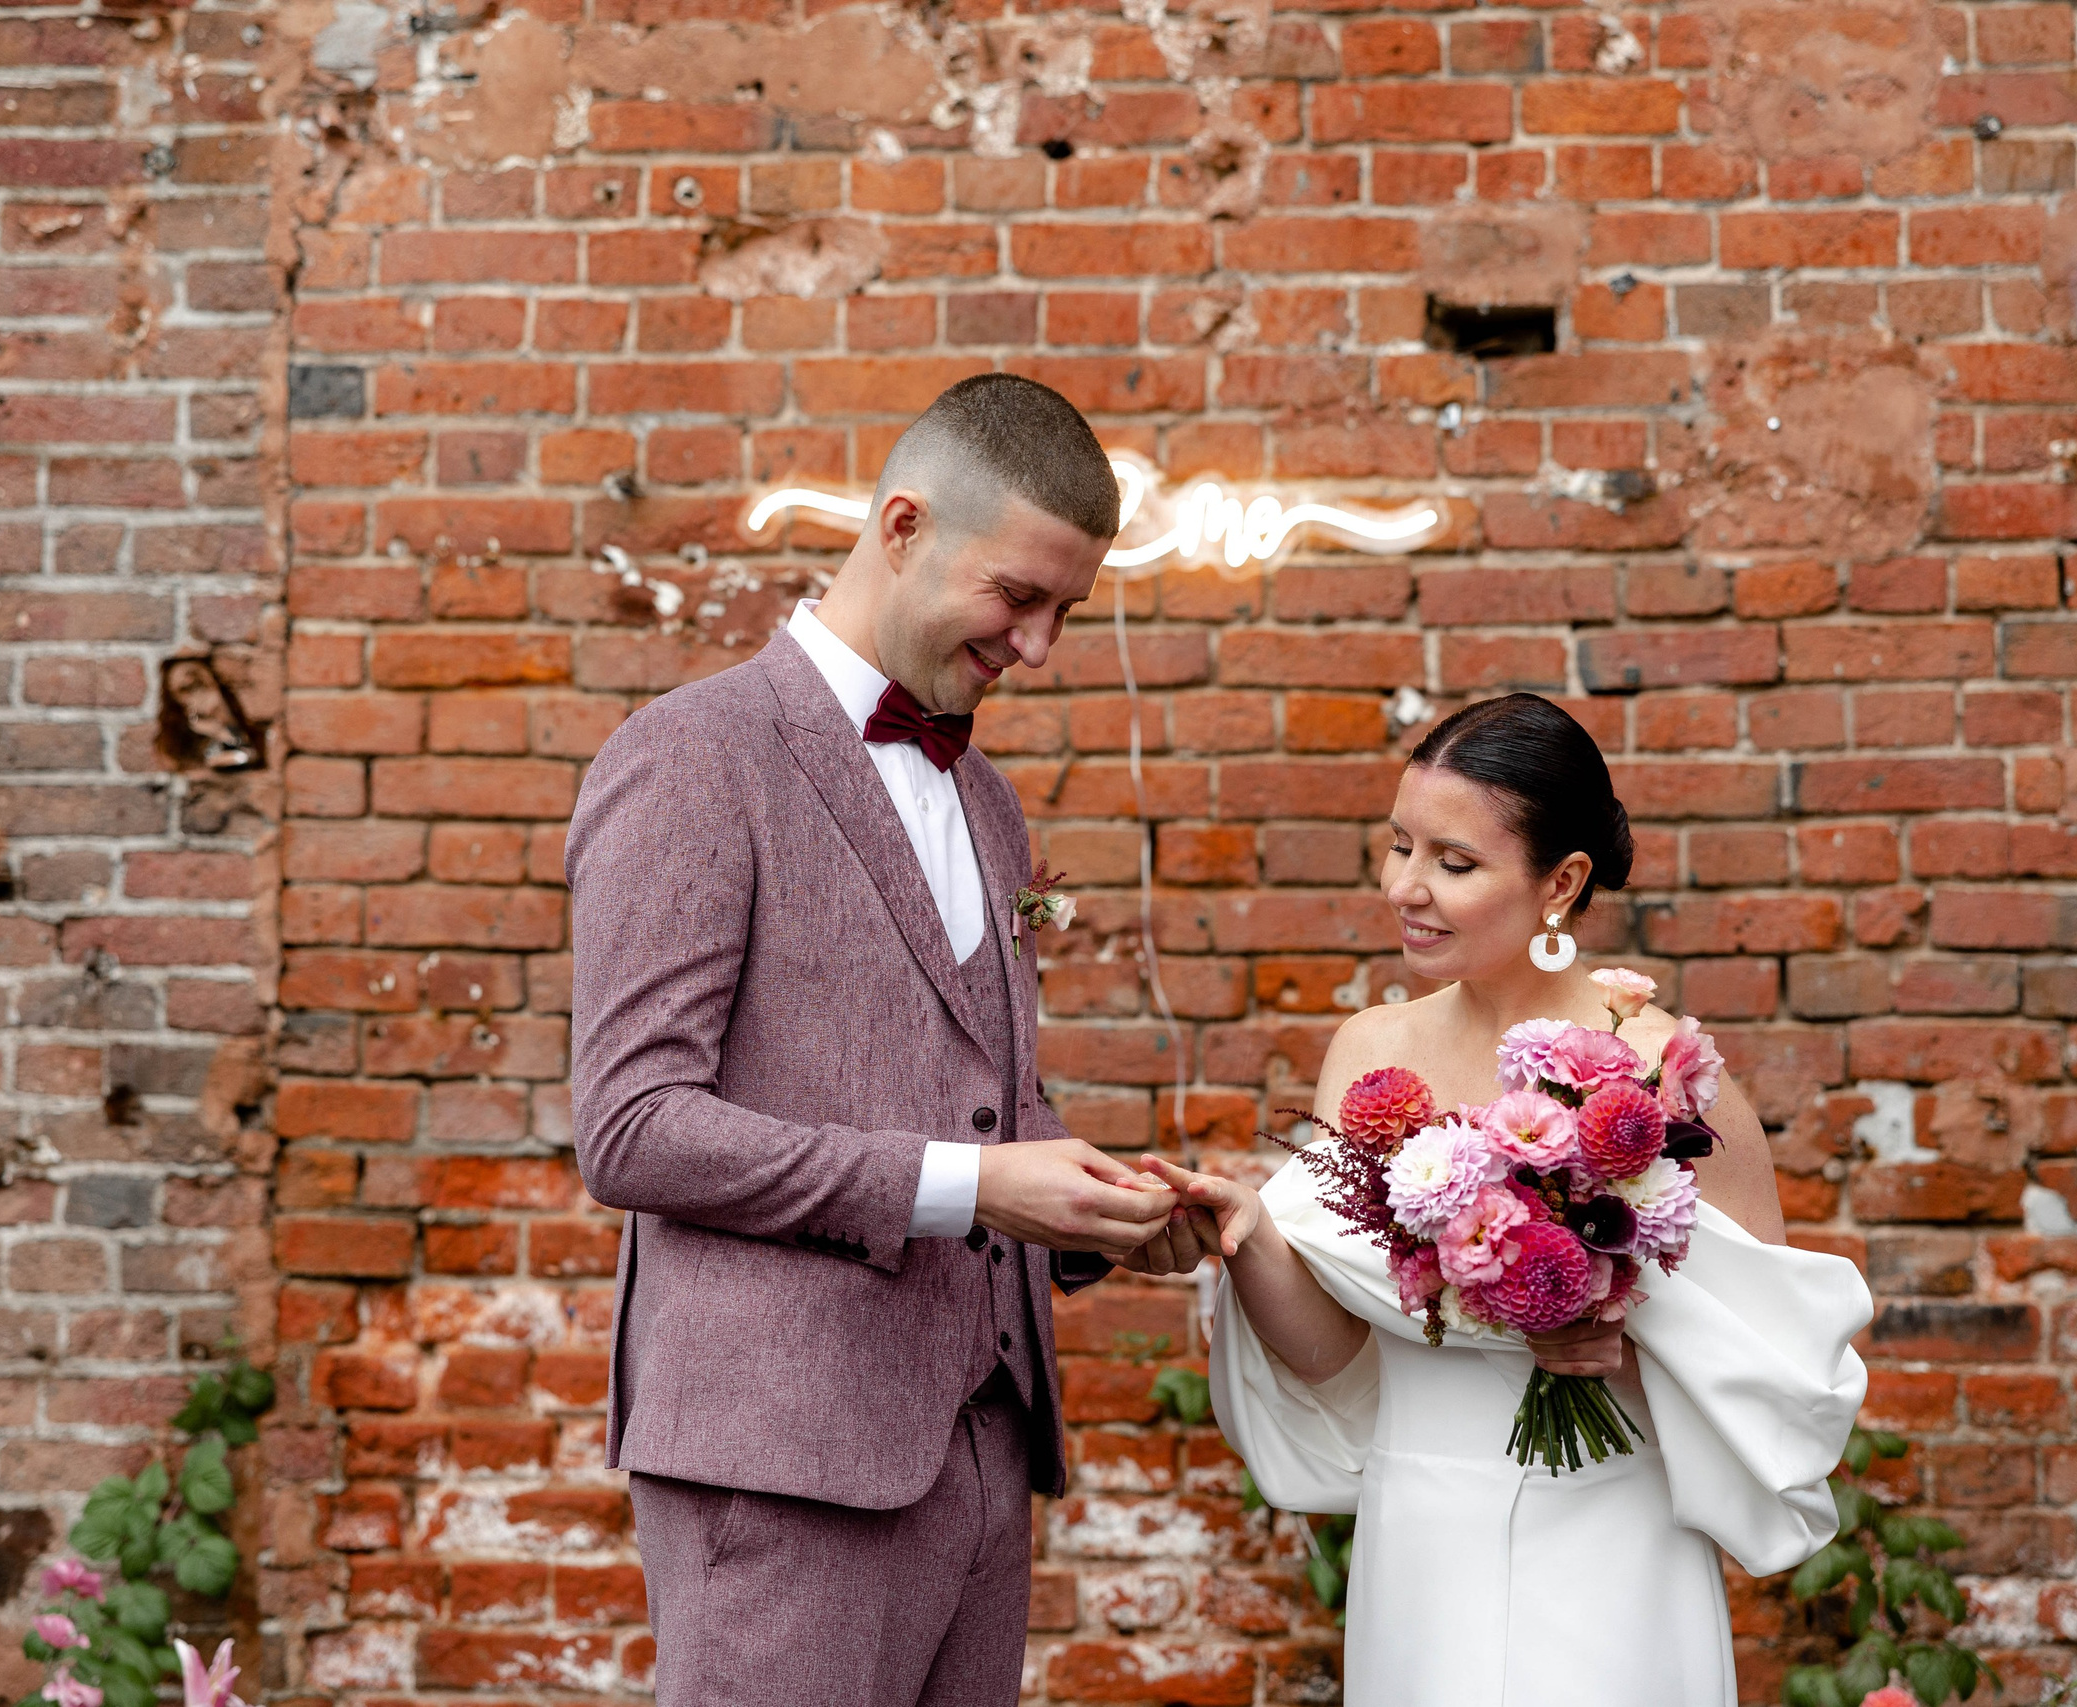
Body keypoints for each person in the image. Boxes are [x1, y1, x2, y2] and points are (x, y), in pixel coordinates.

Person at [566, 374, 1204, 1707]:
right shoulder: (692, 756)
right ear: (903, 523)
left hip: (981, 1449)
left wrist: (1100, 1206)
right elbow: (631, 1128)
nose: (1038, 647)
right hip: (781, 1456)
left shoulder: (990, 798)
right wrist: (974, 1185)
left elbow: (975, 1101)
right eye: (1018, 597)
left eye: (1067, 611)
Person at [1137, 693, 1871, 1707]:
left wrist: (1621, 1341)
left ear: (1560, 882)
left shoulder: (1662, 1077)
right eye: (1398, 847)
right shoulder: (1367, 1055)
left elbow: (1773, 1378)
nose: (1406, 888)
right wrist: (1248, 1231)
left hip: (1609, 1539)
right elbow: (1334, 1354)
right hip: (1418, 1541)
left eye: (1453, 862)